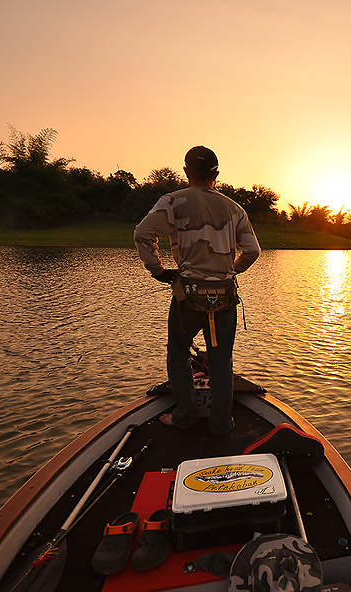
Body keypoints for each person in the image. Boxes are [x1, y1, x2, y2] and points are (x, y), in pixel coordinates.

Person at [134, 145, 261, 436]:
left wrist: (158, 270)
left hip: (188, 294)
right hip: (224, 296)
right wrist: (232, 270)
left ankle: (186, 416)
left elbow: (142, 234)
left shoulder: (172, 202)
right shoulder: (234, 208)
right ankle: (221, 424)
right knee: (221, 360)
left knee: (178, 353)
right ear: (216, 173)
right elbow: (252, 251)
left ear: (186, 171)